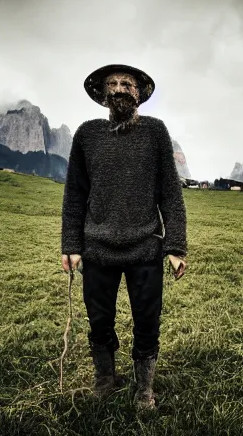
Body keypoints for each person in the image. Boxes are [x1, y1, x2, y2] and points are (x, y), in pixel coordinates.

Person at [60, 64, 188, 409]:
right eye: (112, 84)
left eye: (127, 83)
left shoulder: (155, 132)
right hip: (97, 248)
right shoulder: (87, 135)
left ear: (139, 93)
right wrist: (71, 245)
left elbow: (170, 194)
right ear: (103, 94)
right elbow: (74, 193)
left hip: (145, 247)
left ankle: (144, 388)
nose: (119, 88)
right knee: (99, 320)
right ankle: (105, 380)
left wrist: (175, 246)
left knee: (147, 321)